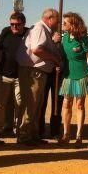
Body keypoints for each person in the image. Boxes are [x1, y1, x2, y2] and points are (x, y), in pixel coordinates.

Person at [16, 8, 62, 146]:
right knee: (31, 103)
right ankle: (24, 136)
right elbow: (37, 49)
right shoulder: (40, 28)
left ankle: (33, 135)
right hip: (33, 71)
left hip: (37, 72)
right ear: (50, 18)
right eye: (57, 20)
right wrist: (54, 58)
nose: (57, 23)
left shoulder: (44, 30)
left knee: (37, 104)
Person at [58, 12, 88, 145]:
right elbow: (60, 53)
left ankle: (79, 135)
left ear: (73, 24)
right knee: (66, 103)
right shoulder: (64, 38)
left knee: (79, 104)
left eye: (65, 23)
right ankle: (66, 134)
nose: (63, 25)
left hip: (81, 74)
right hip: (68, 74)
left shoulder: (83, 39)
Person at [0, 12, 27, 138]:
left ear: (23, 24)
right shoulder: (5, 32)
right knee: (1, 104)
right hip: (4, 75)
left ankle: (19, 129)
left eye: (17, 25)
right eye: (12, 24)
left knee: (19, 103)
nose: (14, 27)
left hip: (20, 76)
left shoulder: (29, 33)